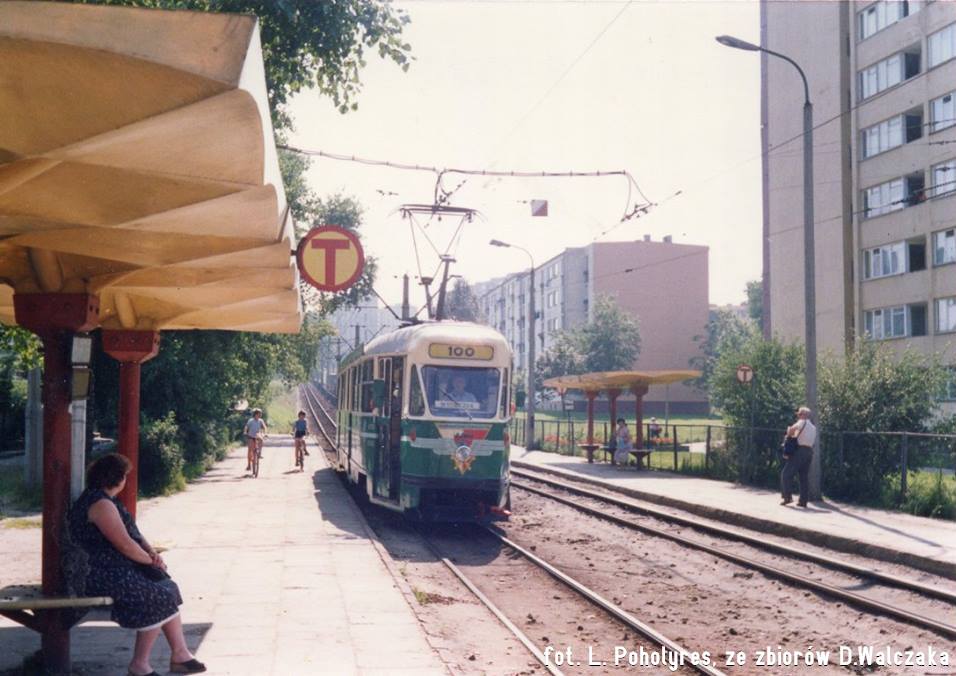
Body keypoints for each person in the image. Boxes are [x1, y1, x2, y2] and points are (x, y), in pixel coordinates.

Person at [68, 454, 206, 676]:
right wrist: (151, 561)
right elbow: (124, 545)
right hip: (96, 573)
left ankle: (180, 654)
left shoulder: (108, 500)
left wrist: (152, 554)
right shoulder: (100, 504)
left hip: (114, 568)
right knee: (157, 596)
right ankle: (139, 665)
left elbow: (136, 536)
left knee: (167, 587)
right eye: (124, 475)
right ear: (117, 478)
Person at [781, 406, 817, 507]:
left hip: (800, 451)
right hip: (809, 452)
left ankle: (787, 497)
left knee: (786, 473)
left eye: (799, 414)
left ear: (804, 415)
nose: (798, 416)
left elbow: (791, 431)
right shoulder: (813, 427)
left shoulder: (801, 422)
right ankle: (803, 501)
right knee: (803, 477)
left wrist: (789, 433)